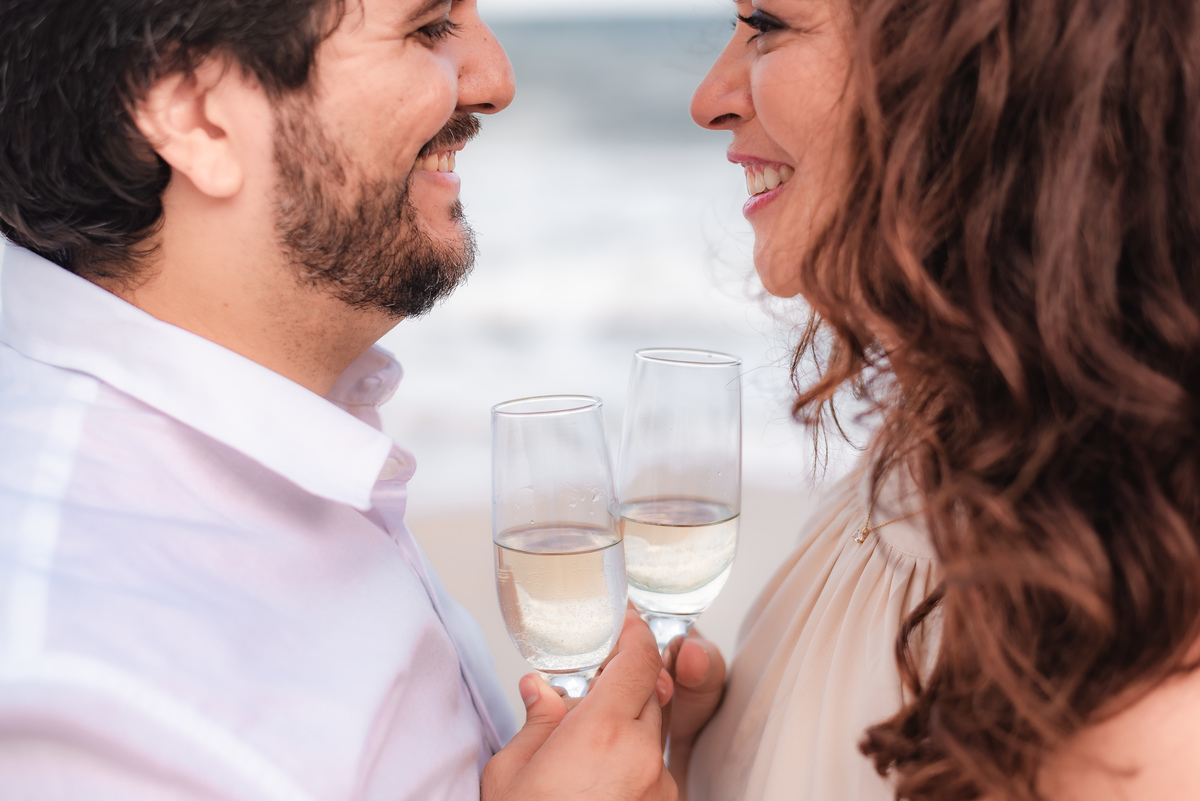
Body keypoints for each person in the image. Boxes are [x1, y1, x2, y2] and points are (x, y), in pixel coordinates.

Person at [0, 0, 718, 797]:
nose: (494, 81)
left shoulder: (288, 436)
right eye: (428, 26)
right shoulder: (74, 687)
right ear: (199, 116)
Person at [680, 0, 1200, 799]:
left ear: (970, 68)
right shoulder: (927, 460)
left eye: (770, 25)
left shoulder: (1131, 671)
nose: (709, 97)